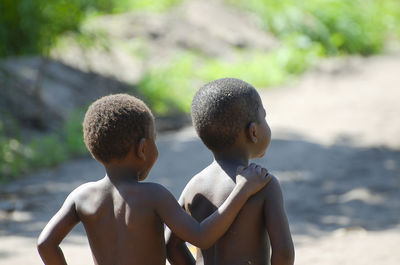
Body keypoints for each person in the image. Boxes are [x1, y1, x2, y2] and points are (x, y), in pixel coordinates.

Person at [37, 94, 271, 265]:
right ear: (142, 149)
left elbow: (45, 244)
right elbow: (201, 236)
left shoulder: (81, 196)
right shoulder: (153, 196)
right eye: (154, 140)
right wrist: (242, 190)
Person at [166, 78, 295, 265]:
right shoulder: (263, 184)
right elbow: (283, 253)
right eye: (264, 118)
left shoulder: (194, 186)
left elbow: (171, 245)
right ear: (253, 132)